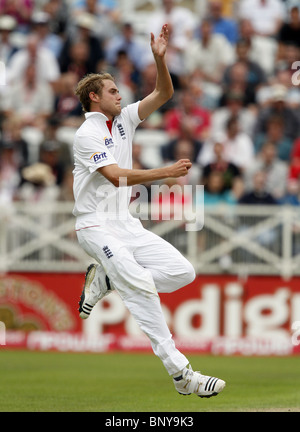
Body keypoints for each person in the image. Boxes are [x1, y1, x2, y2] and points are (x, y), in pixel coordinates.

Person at [72, 24, 225, 398]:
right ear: (94, 97)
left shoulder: (124, 119)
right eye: (111, 90)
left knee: (182, 271)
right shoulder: (86, 134)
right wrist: (165, 173)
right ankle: (181, 373)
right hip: (95, 226)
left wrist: (160, 58)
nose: (119, 93)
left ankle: (107, 280)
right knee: (140, 284)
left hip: (126, 223)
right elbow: (115, 177)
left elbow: (165, 92)